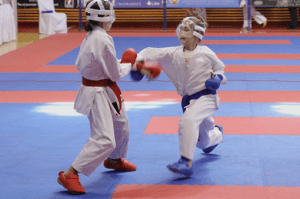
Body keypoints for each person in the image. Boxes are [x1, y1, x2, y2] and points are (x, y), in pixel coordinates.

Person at [57, 0, 137, 195]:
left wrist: (128, 64)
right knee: (104, 139)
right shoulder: (102, 39)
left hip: (104, 89)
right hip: (97, 93)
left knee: (121, 123)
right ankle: (70, 174)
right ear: (106, 19)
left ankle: (114, 160)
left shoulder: (94, 36)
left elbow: (105, 65)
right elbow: (115, 73)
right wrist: (128, 63)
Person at [135, 15, 227, 176]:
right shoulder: (173, 53)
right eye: (181, 29)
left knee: (187, 121)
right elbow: (149, 52)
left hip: (207, 97)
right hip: (188, 100)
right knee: (203, 142)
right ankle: (217, 134)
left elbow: (220, 69)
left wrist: (217, 79)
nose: (182, 33)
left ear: (197, 34)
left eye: (187, 30)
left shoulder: (206, 52)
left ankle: (186, 162)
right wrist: (136, 63)